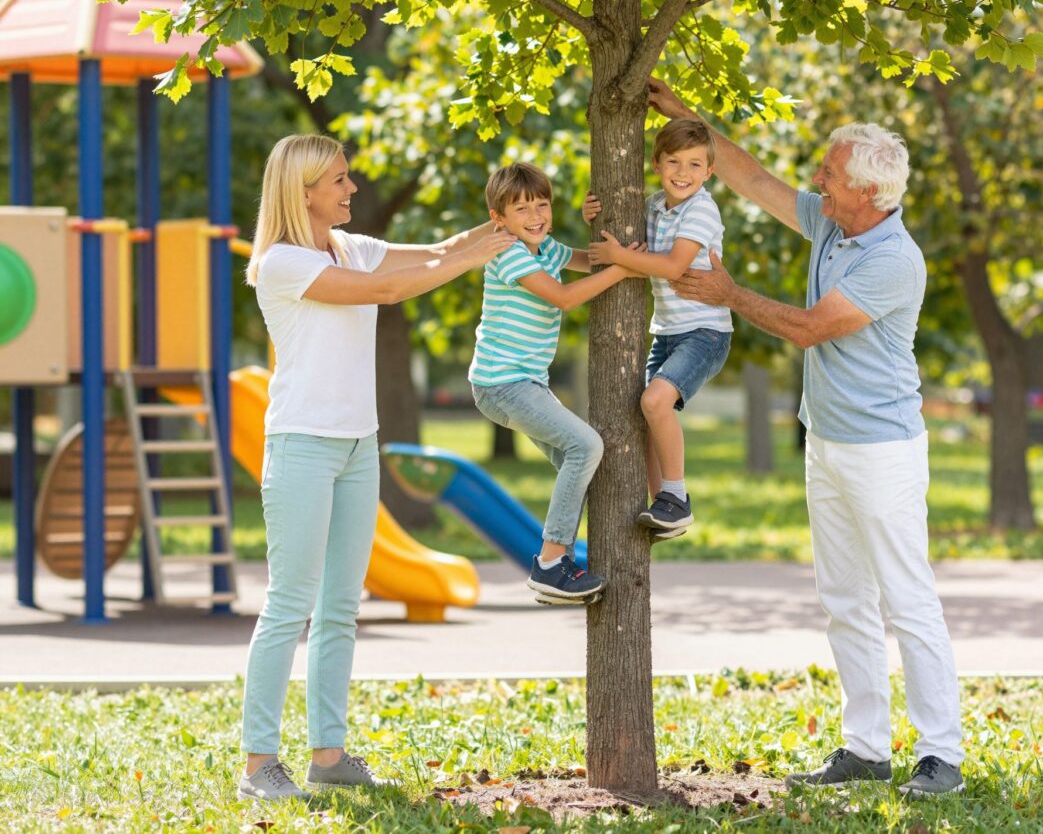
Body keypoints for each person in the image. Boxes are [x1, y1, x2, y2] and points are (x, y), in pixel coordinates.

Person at [649, 80, 965, 798]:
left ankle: (940, 754)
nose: (816, 179)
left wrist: (730, 295)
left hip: (883, 450)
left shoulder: (892, 258)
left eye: (828, 173)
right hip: (826, 441)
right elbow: (753, 177)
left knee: (906, 598)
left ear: (867, 192)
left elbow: (811, 328)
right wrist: (687, 118)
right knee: (844, 598)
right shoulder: (833, 220)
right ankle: (865, 749)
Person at [238, 134, 515, 802]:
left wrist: (508, 224)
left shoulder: (350, 247)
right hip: (303, 445)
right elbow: (392, 287)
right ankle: (257, 766)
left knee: (341, 605)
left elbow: (437, 254)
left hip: (360, 445)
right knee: (290, 603)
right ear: (303, 191)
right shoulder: (281, 263)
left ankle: (327, 755)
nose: (351, 189)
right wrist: (489, 248)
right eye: (338, 180)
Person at [470, 162, 642, 604]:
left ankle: (560, 566)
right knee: (586, 446)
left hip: (525, 383)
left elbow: (589, 261)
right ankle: (549, 563)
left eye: (542, 204)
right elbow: (564, 297)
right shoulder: (507, 253)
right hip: (501, 383)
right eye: (521, 208)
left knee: (579, 464)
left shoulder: (546, 247)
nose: (535, 215)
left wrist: (598, 230)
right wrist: (623, 270)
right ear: (499, 219)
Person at [583, 119, 733, 538]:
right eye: (673, 162)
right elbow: (630, 247)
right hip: (667, 331)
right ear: (656, 163)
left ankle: (676, 497)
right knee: (648, 413)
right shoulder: (651, 207)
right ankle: (664, 506)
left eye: (694, 164)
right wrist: (593, 216)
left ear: (708, 172)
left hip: (705, 331)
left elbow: (671, 266)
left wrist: (619, 257)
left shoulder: (702, 209)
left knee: (654, 402)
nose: (682, 173)